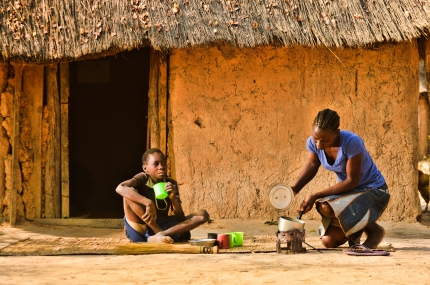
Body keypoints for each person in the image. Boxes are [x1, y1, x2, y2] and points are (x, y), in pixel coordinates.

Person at [290, 109, 390, 249]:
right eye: (315, 138)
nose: (319, 144)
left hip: (374, 191)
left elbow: (351, 181)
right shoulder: (314, 143)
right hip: (351, 195)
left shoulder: (351, 142)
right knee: (328, 241)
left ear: (336, 133)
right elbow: (313, 164)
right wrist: (294, 189)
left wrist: (316, 195)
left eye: (324, 140)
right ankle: (357, 226)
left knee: (326, 206)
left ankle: (374, 230)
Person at [116, 148, 210, 243]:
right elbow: (120, 188)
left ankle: (161, 235)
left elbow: (180, 218)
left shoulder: (170, 183)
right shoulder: (142, 178)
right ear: (145, 169)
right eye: (156, 164)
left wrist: (173, 199)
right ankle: (158, 232)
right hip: (141, 227)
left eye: (164, 162)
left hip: (163, 225)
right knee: (129, 193)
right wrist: (148, 202)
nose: (161, 167)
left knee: (202, 215)